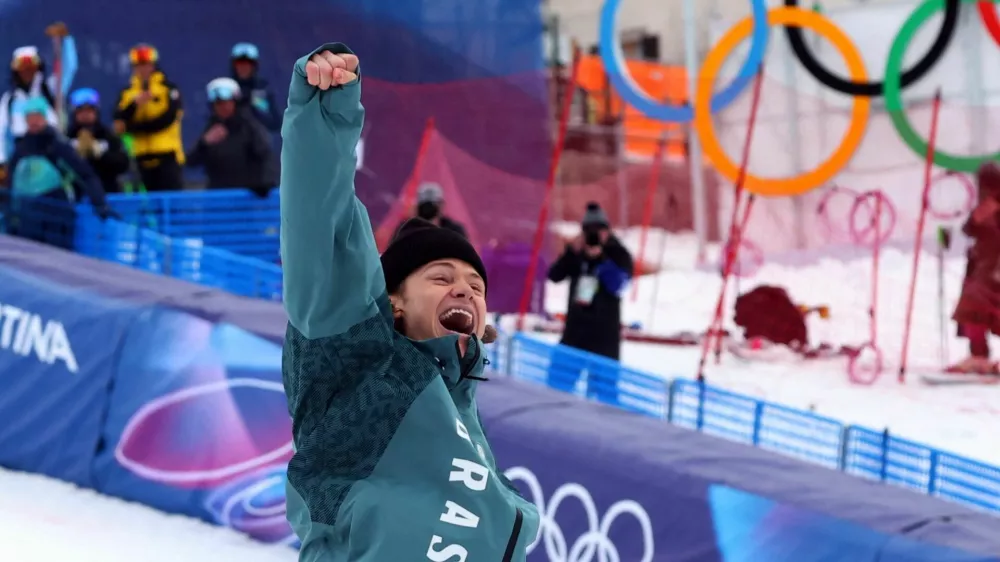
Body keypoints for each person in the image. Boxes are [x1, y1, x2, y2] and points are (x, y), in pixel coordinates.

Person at [280, 44, 538, 561]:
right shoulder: (355, 355)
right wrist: (326, 113)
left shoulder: (458, 401)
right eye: (440, 277)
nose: (464, 288)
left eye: (475, 285)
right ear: (394, 302)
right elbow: (323, 230)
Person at [546, 203, 633, 401]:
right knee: (556, 387)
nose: (594, 236)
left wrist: (601, 260)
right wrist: (571, 251)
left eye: (599, 230)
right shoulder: (577, 253)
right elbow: (554, 275)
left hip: (605, 336)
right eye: (589, 231)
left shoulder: (618, 253)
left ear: (607, 231)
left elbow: (618, 285)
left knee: (604, 396)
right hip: (575, 331)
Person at [4, 97, 114, 248]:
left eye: (38, 117)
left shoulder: (57, 145)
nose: (34, 121)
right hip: (27, 220)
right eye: (30, 117)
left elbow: (86, 175)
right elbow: (10, 184)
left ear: (45, 118)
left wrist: (100, 203)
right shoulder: (20, 149)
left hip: (57, 219)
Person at [0, 22, 78, 179]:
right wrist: (2, 161)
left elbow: (69, 68)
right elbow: (0, 131)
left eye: (31, 68)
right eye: (23, 69)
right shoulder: (9, 100)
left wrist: (66, 40)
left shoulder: (50, 90)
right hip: (21, 152)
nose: (27, 73)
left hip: (49, 148)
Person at [113, 43, 184, 192]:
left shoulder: (168, 89)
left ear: (153, 65)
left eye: (146, 65)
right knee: (145, 208)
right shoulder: (127, 94)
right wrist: (135, 104)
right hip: (140, 160)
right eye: (138, 65)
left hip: (167, 158)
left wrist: (133, 129)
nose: (143, 69)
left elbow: (168, 120)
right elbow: (119, 119)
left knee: (170, 207)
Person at [950, 162, 1000, 375]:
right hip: (982, 268)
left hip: (995, 269)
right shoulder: (983, 206)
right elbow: (969, 229)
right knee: (973, 310)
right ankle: (978, 355)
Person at [186, 77, 275, 194]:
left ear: (235, 102)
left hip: (246, 199)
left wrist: (261, 184)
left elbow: (265, 157)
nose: (223, 107)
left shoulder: (249, 127)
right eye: (218, 104)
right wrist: (204, 143)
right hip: (217, 199)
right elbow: (190, 162)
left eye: (227, 102)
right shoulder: (211, 129)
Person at [66, 88, 129, 196]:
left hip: (108, 193)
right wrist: (75, 156)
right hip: (77, 196)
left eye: (89, 110)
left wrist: (100, 154)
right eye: (81, 111)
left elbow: (123, 164)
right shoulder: (67, 137)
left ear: (96, 112)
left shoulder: (108, 136)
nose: (85, 115)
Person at [229, 42, 281, 131]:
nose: (243, 68)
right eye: (240, 64)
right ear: (234, 66)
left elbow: (275, 123)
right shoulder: (227, 88)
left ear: (254, 67)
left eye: (247, 64)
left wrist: (252, 104)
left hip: (259, 139)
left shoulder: (262, 90)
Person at [394, 181, 468, 238]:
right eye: (425, 205)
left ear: (441, 205)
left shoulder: (454, 232)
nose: (428, 209)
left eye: (432, 205)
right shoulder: (405, 230)